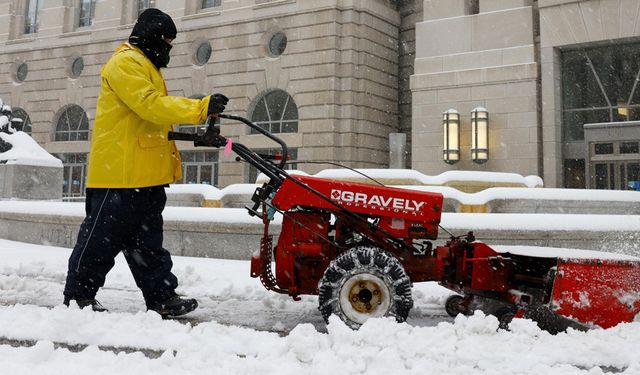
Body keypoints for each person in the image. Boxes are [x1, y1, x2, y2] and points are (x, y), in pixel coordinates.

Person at [63, 8, 229, 317]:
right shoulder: (125, 63)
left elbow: (151, 123)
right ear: (151, 36)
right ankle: (78, 297)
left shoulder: (145, 66)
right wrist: (200, 108)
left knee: (148, 245)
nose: (168, 49)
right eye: (166, 41)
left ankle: (161, 296)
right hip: (119, 176)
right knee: (99, 241)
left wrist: (195, 131)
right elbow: (150, 106)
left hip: (145, 176)